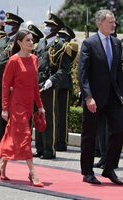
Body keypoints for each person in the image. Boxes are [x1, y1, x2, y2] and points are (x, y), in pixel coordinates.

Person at [78, 9, 123, 185]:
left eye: (114, 22)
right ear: (100, 23)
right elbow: (82, 73)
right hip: (94, 98)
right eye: (110, 22)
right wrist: (88, 97)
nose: (113, 24)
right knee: (90, 135)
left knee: (119, 130)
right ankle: (87, 171)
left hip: (113, 97)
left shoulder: (117, 43)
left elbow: (118, 72)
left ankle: (109, 168)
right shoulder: (89, 43)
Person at [0, 29, 45, 187]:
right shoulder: (13, 61)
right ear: (19, 43)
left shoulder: (35, 59)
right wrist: (4, 108)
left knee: (13, 135)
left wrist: (40, 106)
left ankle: (2, 165)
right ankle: (33, 173)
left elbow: (35, 85)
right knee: (24, 134)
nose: (31, 43)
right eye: (28, 40)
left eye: (32, 40)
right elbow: (5, 85)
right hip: (16, 102)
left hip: (29, 101)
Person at [33, 13, 71, 159]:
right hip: (37, 84)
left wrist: (53, 80)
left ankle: (49, 150)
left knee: (48, 117)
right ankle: (40, 147)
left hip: (49, 85)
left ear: (56, 28)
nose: (46, 28)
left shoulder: (60, 45)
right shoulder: (41, 43)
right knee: (38, 115)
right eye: (46, 25)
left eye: (49, 26)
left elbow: (64, 68)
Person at [0, 12, 24, 143]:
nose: (6, 26)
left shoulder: (18, 43)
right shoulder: (1, 41)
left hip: (6, 82)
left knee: (3, 112)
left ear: (16, 27)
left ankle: (2, 139)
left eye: (9, 24)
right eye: (6, 23)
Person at [55, 26, 78, 151]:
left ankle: (62, 141)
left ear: (68, 38)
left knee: (62, 115)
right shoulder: (55, 46)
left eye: (64, 36)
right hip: (54, 83)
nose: (60, 38)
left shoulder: (70, 48)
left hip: (64, 84)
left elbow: (71, 56)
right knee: (53, 114)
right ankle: (54, 139)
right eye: (59, 35)